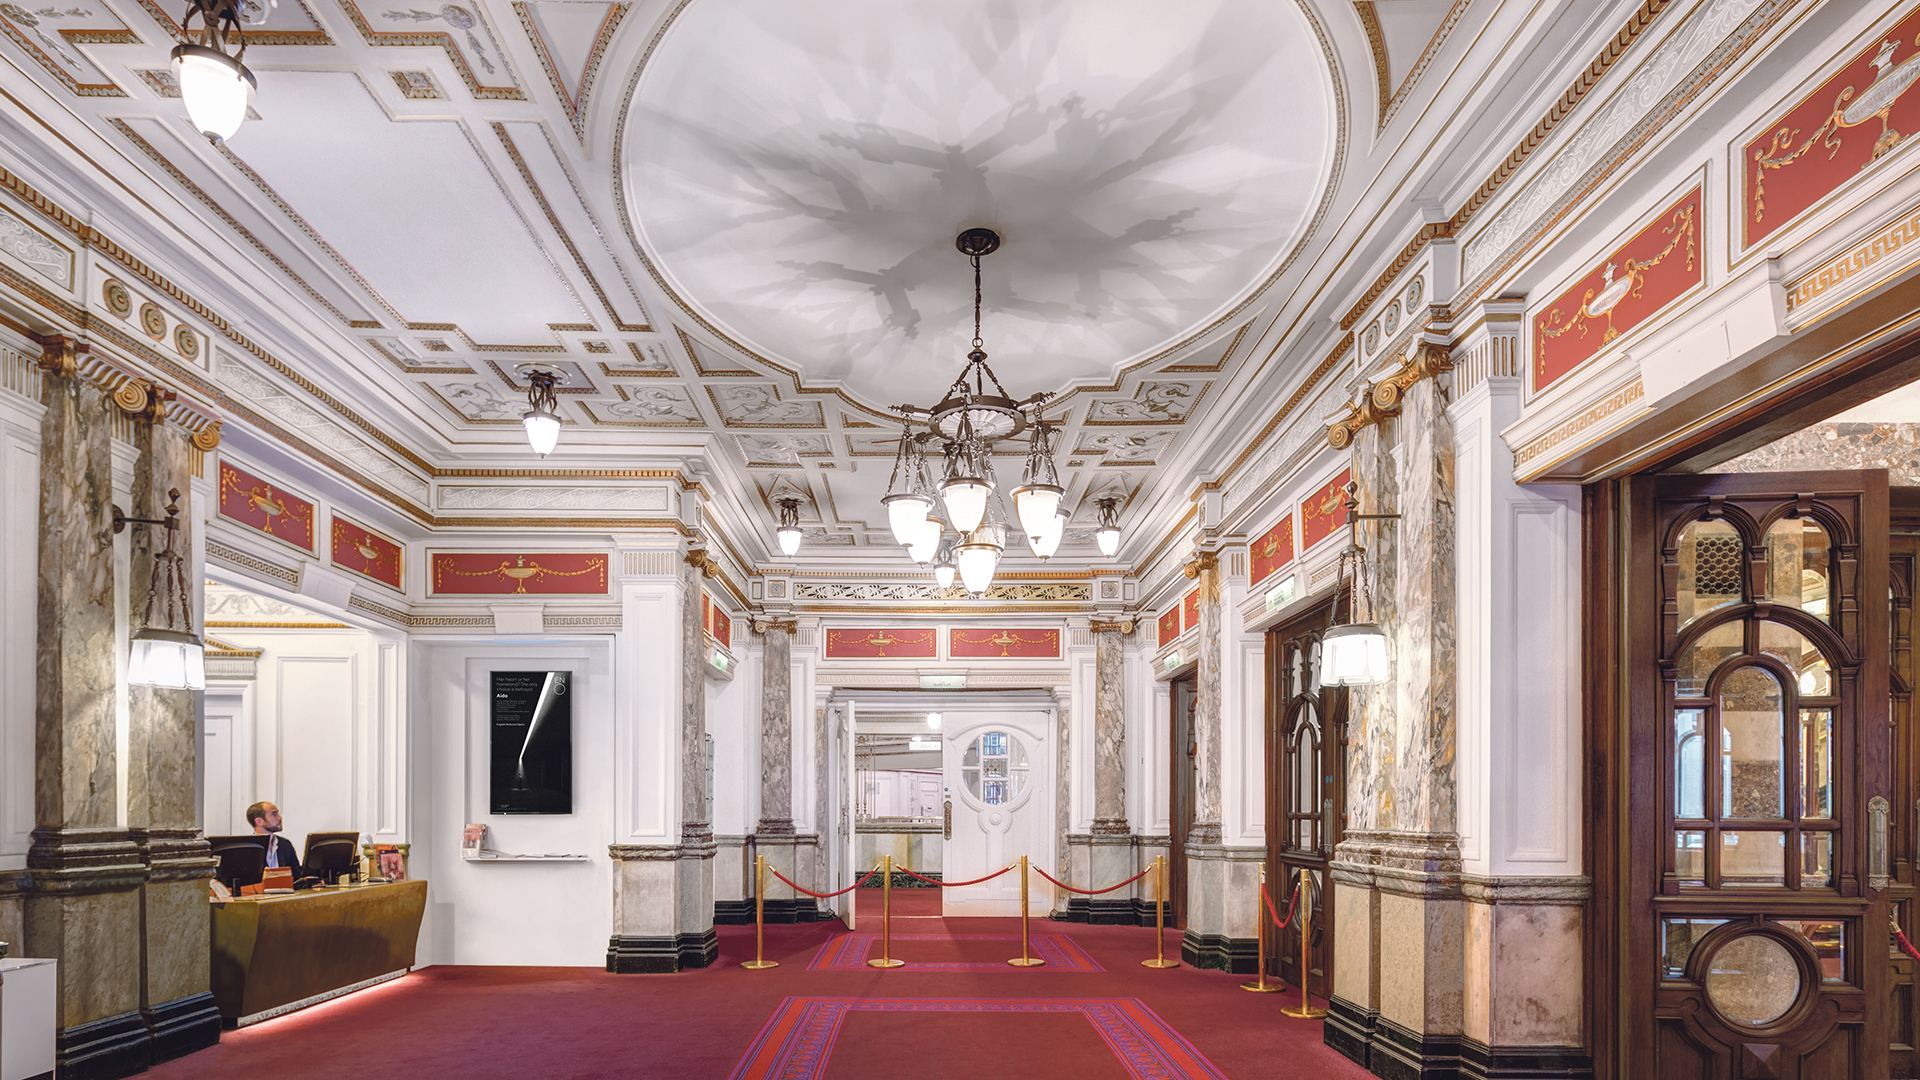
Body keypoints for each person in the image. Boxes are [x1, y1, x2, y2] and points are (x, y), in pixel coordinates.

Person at [246, 801, 303, 881]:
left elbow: (296, 875)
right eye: (274, 814)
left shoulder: (285, 844)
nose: (280, 817)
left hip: (285, 891)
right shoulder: (248, 849)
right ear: (259, 821)